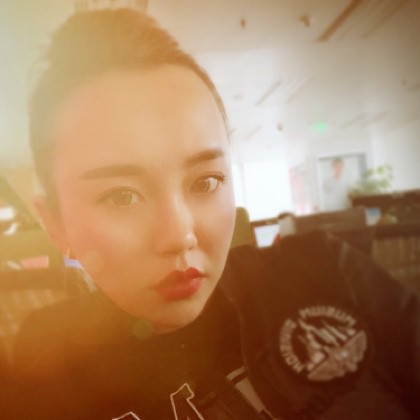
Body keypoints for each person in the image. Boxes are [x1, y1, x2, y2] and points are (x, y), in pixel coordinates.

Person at [9, 9, 419, 419]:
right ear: (56, 225)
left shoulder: (324, 271)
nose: (179, 235)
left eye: (206, 181)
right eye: (121, 196)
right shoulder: (43, 390)